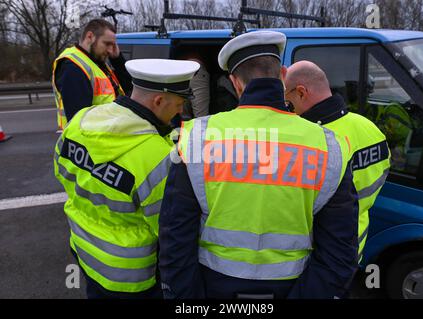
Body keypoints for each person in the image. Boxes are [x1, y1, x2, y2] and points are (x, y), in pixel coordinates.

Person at [158, 31, 359, 299]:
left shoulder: (195, 137)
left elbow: (175, 239)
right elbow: (340, 252)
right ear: (283, 75)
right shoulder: (328, 145)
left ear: (235, 83)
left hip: (213, 287)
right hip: (295, 287)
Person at [54, 58, 200, 298]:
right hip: (129, 278)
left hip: (85, 252)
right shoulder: (158, 158)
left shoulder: (81, 121)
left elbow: (61, 172)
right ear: (159, 100)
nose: (181, 111)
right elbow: (168, 229)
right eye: (179, 103)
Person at [285, 60, 391, 262]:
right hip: (353, 246)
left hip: (317, 252)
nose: (287, 108)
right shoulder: (369, 128)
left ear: (301, 92)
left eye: (287, 100)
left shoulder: (310, 141)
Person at [52, 19, 132, 131]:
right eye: (107, 43)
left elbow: (129, 89)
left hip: (105, 137)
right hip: (91, 143)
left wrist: (117, 59)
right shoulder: (73, 67)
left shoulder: (97, 62)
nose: (110, 50)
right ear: (90, 37)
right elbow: (81, 122)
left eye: (113, 44)